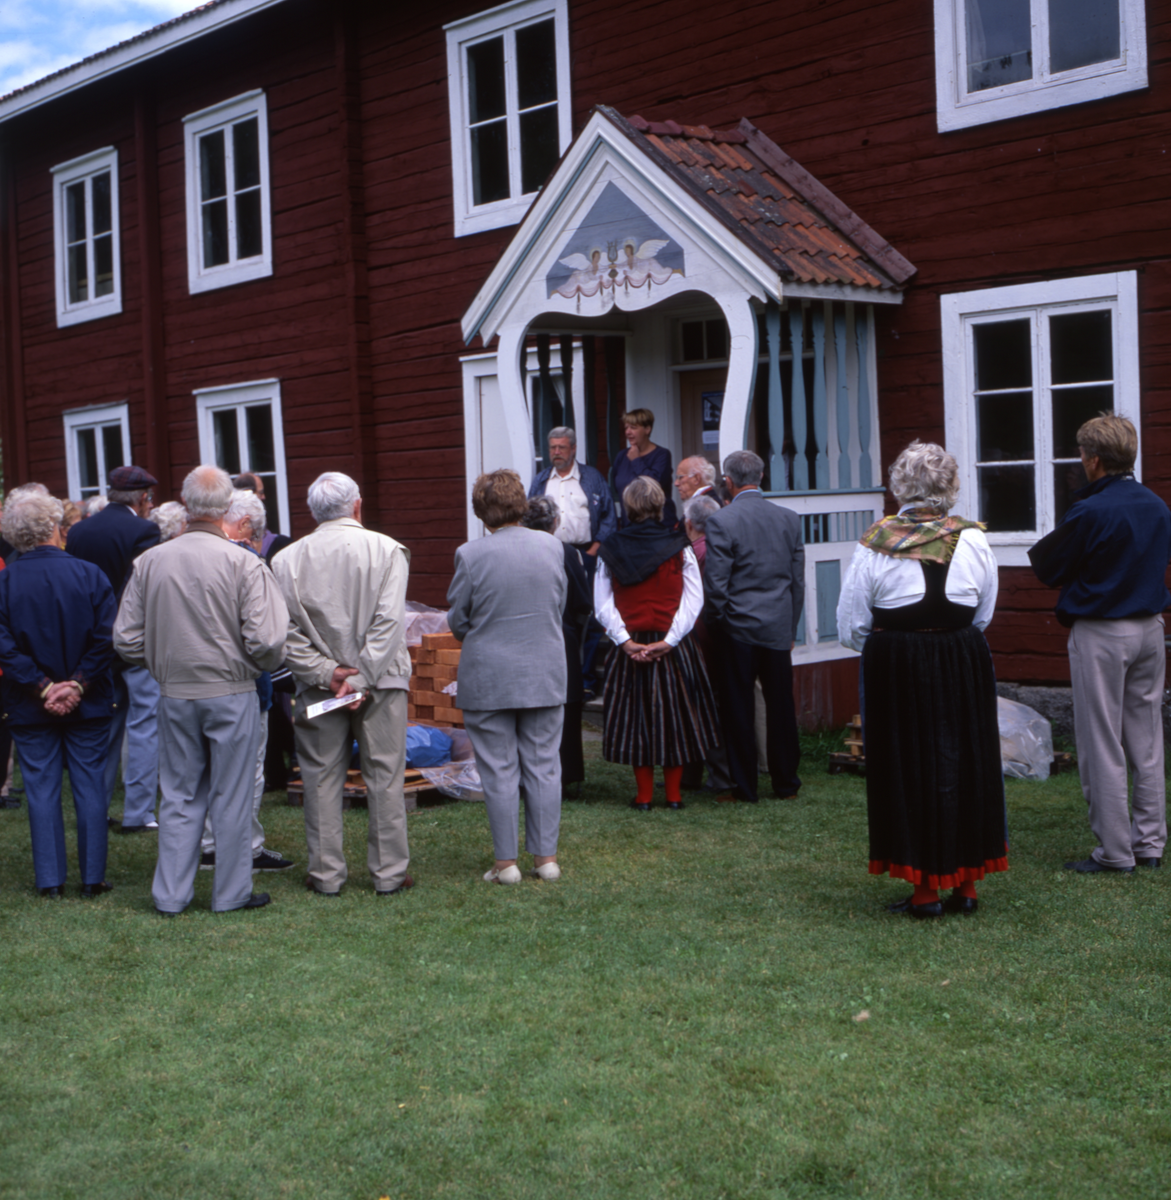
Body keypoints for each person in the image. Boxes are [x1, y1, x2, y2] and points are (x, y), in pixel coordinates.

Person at [837, 441, 1006, 918]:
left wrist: (894, 645)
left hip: (899, 661)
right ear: (950, 486)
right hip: (961, 656)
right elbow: (983, 613)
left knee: (906, 765)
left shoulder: (877, 541)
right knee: (967, 762)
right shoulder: (973, 538)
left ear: (899, 487)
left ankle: (926, 892)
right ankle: (966, 886)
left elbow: (851, 623)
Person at [114, 466, 288, 915]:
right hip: (231, 690)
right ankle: (230, 894)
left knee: (178, 794)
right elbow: (268, 641)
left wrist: (165, 664)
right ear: (227, 508)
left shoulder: (151, 560)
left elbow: (125, 639)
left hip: (176, 690)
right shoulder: (244, 561)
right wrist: (251, 666)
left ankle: (171, 895)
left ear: (187, 505)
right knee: (231, 794)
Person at [1029, 414, 1171, 874]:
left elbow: (1048, 568)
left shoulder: (1090, 511)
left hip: (1103, 632)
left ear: (1092, 460)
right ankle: (1149, 844)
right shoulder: (1156, 504)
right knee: (1146, 740)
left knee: (1101, 740)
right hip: (1151, 628)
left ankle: (1114, 852)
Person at [272, 472, 413, 897]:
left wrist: (328, 673)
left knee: (319, 776)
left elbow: (285, 632)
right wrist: (360, 677)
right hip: (380, 680)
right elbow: (389, 622)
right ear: (357, 506)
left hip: (323, 687)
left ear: (313, 511)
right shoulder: (387, 549)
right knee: (385, 774)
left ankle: (326, 874)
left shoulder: (285, 560)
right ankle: (389, 874)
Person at [448, 470, 567, 883]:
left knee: (498, 769)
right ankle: (545, 859)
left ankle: (506, 863)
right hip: (544, 669)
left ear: (482, 511)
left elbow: (459, 619)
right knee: (544, 765)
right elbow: (559, 604)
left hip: (489, 673)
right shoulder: (553, 547)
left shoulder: (470, 554)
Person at [0, 490, 116, 897]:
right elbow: (106, 639)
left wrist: (45, 685)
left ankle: (50, 880)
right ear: (55, 527)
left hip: (32, 701)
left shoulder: (6, 581)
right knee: (89, 786)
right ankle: (92, 877)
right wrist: (75, 683)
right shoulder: (90, 574)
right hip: (84, 697)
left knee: (41, 788)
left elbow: (5, 647)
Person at [595, 477, 720, 811]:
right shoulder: (680, 545)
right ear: (659, 505)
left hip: (633, 647)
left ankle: (645, 797)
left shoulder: (611, 546)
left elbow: (602, 603)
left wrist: (624, 641)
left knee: (638, 719)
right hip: (674, 646)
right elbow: (694, 599)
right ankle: (674, 796)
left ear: (629, 507)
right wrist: (671, 640)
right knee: (677, 718)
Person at [197, 490, 295, 875]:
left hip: (192, 682)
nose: (258, 542)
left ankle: (208, 845)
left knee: (204, 769)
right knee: (248, 771)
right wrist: (271, 667)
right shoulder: (248, 561)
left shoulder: (187, 556)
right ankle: (246, 849)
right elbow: (266, 637)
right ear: (246, 527)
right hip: (245, 682)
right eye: (257, 535)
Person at [702, 450, 804, 804]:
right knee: (780, 707)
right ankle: (786, 783)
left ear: (728, 481)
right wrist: (790, 627)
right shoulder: (789, 519)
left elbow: (716, 585)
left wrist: (717, 623)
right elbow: (797, 582)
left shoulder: (722, 521)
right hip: (777, 625)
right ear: (760, 477)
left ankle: (745, 788)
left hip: (737, 628)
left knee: (739, 708)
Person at [66, 465, 162, 834]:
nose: (151, 504)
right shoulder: (144, 530)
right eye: (150, 498)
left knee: (103, 727)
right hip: (132, 642)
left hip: (91, 643)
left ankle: (96, 807)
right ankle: (138, 813)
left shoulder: (79, 531)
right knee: (143, 724)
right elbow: (141, 588)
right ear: (141, 498)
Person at [528, 426, 616, 698]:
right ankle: (558, 680)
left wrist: (594, 550)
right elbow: (530, 516)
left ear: (573, 449)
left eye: (561, 448)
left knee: (587, 615)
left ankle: (586, 680)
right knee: (555, 614)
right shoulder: (541, 480)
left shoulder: (591, 478)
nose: (555, 453)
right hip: (550, 553)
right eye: (552, 448)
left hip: (586, 555)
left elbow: (609, 517)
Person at [521, 495, 592, 798]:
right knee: (565, 705)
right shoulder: (566, 553)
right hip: (561, 634)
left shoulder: (516, 551)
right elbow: (581, 600)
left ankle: (530, 776)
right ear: (555, 522)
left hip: (524, 635)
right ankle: (566, 775)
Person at [610, 408, 676, 528]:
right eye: (626, 428)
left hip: (658, 529)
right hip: (630, 528)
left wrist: (636, 460)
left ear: (647, 429)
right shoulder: (621, 456)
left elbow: (654, 485)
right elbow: (616, 486)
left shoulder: (662, 455)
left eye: (633, 428)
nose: (628, 432)